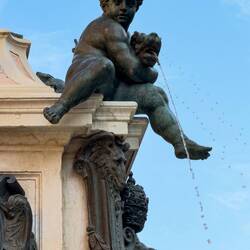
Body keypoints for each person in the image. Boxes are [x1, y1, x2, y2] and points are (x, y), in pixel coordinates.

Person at [43, 0, 212, 160]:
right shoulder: (109, 27)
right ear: (104, 4)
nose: (124, 7)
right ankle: (62, 105)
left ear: (136, 8)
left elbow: (128, 71)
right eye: (117, 2)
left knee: (154, 95)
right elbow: (133, 71)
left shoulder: (123, 33)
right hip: (86, 77)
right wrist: (151, 72)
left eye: (130, 3)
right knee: (104, 65)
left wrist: (144, 61)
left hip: (110, 88)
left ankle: (180, 142)